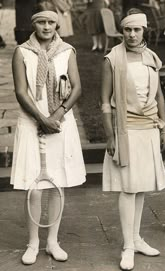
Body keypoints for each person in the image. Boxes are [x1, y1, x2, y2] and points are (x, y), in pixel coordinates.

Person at [11, 1, 86, 265]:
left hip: (60, 123)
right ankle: (33, 243)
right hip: (31, 122)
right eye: (41, 22)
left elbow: (76, 87)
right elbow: (21, 91)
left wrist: (56, 116)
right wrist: (41, 118)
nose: (46, 27)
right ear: (34, 25)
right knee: (34, 187)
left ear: (57, 25)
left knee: (57, 183)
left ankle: (53, 241)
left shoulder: (67, 51)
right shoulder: (22, 52)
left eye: (51, 22)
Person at [101, 8, 165, 271]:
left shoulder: (152, 57)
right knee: (128, 188)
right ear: (122, 31)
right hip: (125, 129)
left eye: (136, 29)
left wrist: (163, 128)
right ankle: (127, 246)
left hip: (149, 128)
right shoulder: (112, 59)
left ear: (144, 31)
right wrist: (110, 135)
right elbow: (104, 102)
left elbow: (159, 95)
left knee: (140, 187)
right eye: (127, 29)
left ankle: (137, 238)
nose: (131, 34)